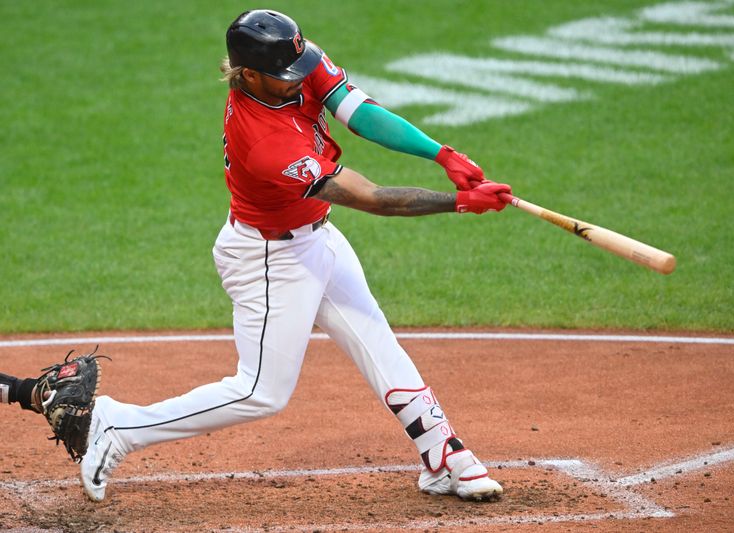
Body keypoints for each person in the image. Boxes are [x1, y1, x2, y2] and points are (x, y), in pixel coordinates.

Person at [79, 9, 511, 503]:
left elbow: (359, 111)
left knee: (376, 341)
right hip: (268, 259)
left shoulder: (291, 60)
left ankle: (444, 455)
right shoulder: (263, 140)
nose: (299, 83)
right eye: (285, 79)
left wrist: (443, 154)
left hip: (316, 238)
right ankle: (119, 426)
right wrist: (458, 202)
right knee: (259, 392)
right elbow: (370, 197)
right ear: (248, 75)